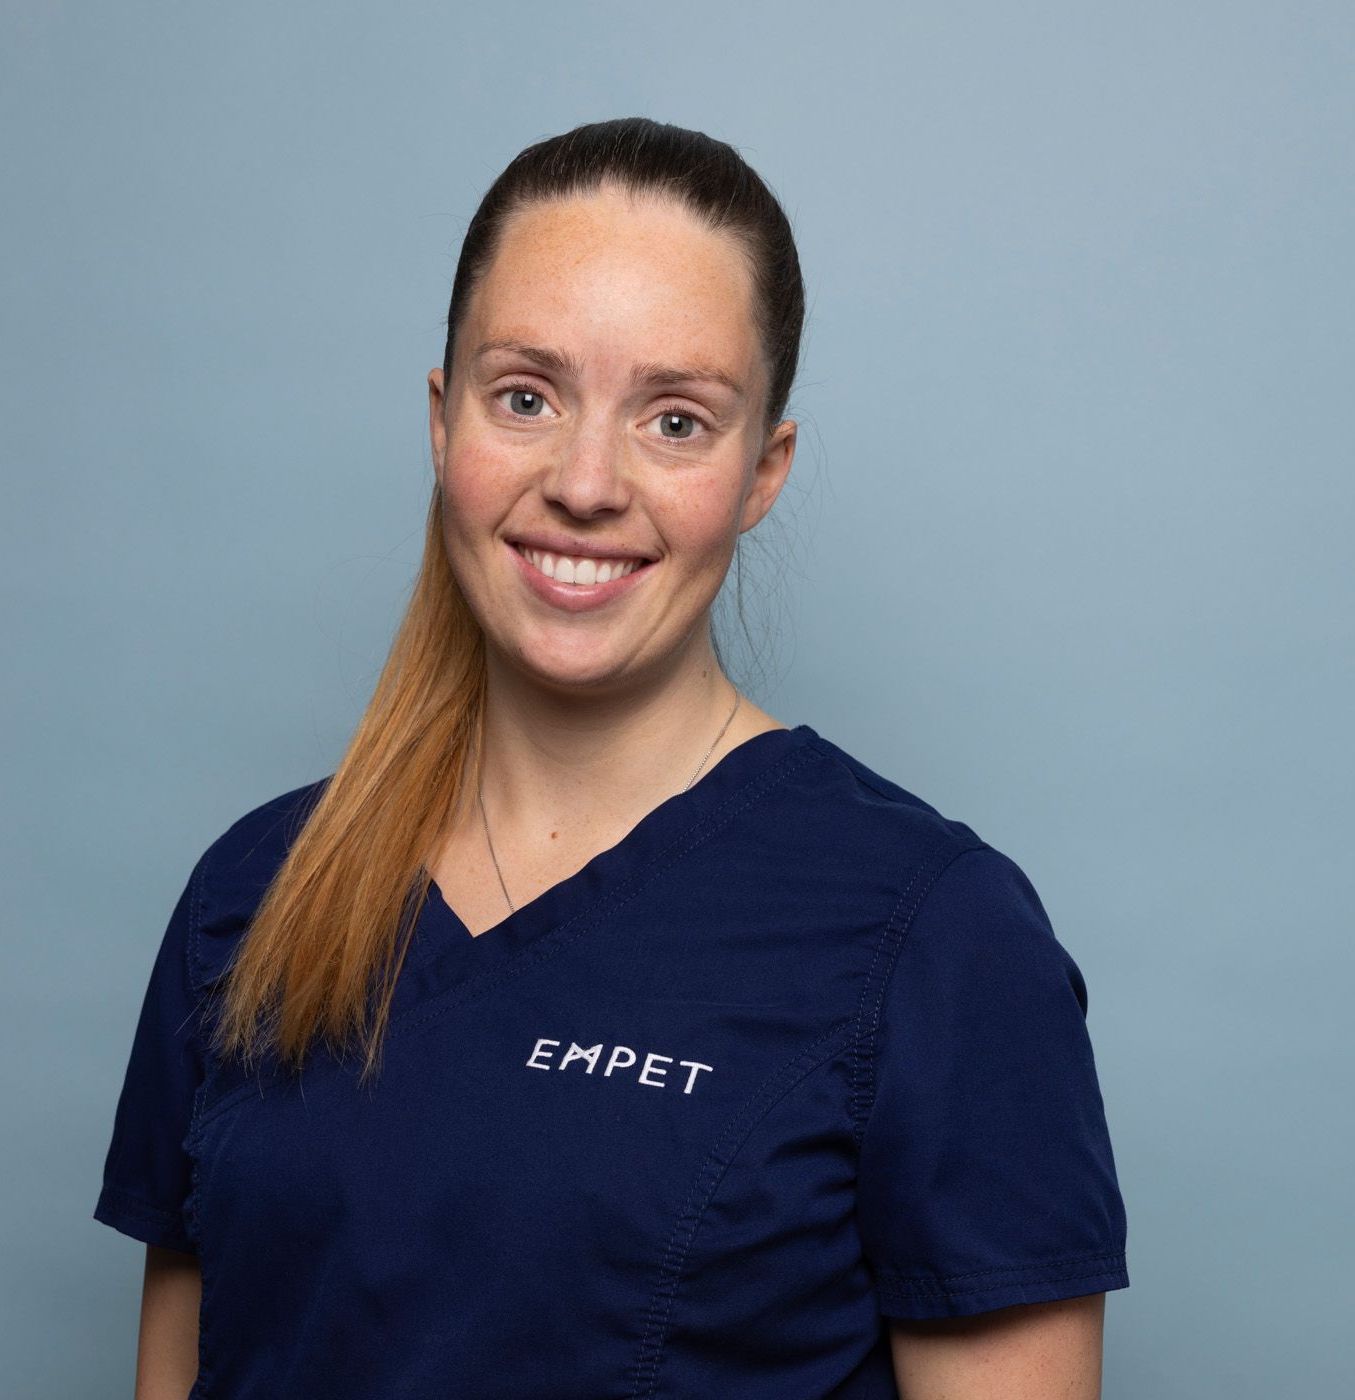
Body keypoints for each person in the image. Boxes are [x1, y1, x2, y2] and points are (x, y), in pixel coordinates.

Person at [93, 116, 1129, 1399]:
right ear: (442, 420)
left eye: (675, 419)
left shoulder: (936, 939)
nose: (584, 482)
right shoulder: (252, 894)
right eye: (525, 397)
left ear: (762, 471)